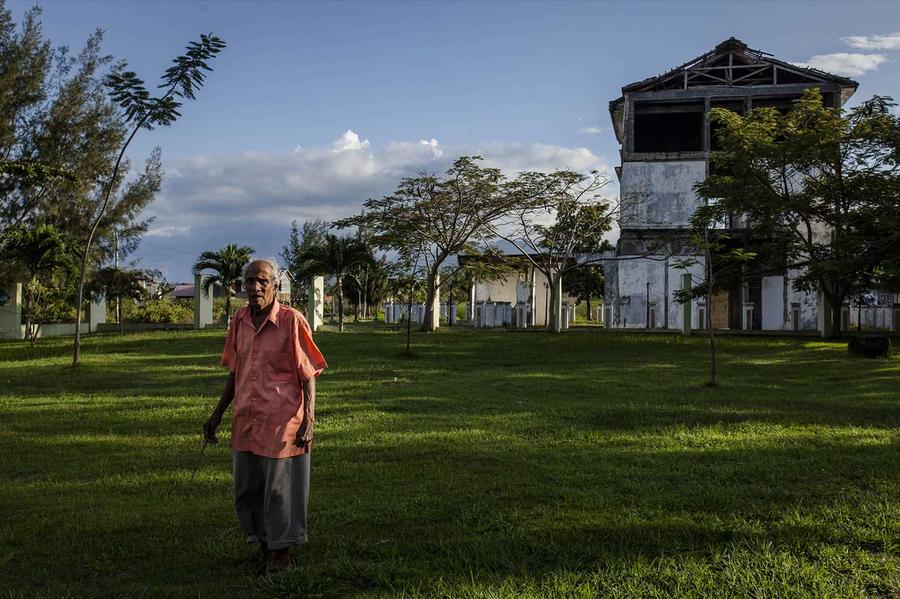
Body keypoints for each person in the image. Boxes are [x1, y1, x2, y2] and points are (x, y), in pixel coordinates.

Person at [203, 258, 327, 572]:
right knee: (248, 487)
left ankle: (281, 551)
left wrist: (309, 420)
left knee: (280, 489)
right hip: (246, 416)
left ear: (274, 285)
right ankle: (263, 542)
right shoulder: (240, 319)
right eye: (249, 281)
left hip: (282, 420)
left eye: (262, 281)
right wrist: (217, 414)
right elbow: (235, 371)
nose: (255, 287)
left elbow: (308, 374)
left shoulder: (291, 320)